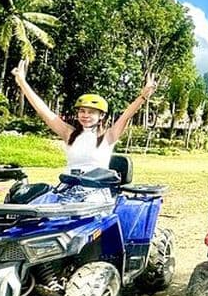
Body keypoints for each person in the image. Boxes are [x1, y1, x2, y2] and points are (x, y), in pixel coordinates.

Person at [12, 60, 157, 200]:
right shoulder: (69, 133)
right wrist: (22, 83)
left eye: (91, 112)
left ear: (101, 116)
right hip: (67, 187)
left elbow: (126, 115)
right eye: (82, 111)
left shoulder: (109, 136)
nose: (85, 115)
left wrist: (143, 96)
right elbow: (44, 111)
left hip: (96, 191)